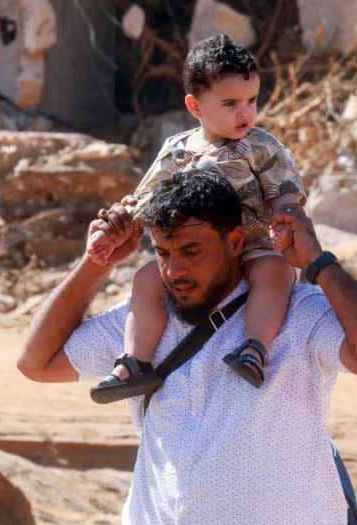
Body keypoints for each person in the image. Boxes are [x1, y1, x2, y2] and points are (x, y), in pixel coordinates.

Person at [16, 169, 357, 525]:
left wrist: (317, 263)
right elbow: (37, 362)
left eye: (192, 251)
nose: (174, 270)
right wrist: (95, 262)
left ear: (235, 241)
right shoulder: (144, 321)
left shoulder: (296, 315)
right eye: (163, 253)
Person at [86, 34, 306, 403]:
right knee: (145, 281)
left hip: (254, 242)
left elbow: (285, 188)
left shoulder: (262, 145)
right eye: (231, 103)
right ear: (195, 105)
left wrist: (286, 212)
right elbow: (146, 196)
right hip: (190, 249)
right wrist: (117, 224)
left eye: (252, 101)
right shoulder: (177, 149)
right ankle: (134, 363)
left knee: (275, 274)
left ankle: (254, 348)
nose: (245, 113)